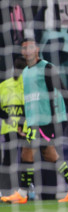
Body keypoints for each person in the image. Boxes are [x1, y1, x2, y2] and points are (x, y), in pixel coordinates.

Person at [0, 38, 68, 204]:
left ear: (37, 49)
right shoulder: (26, 72)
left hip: (47, 120)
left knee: (27, 151)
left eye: (30, 47)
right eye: (24, 48)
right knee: (50, 155)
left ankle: (22, 193)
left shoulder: (46, 67)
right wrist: (23, 123)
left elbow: (63, 91)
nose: (27, 50)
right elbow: (28, 100)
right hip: (33, 120)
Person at [0, 57, 27, 195]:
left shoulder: (4, 85)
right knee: (26, 159)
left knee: (9, 160)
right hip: (24, 127)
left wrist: (6, 117)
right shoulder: (28, 85)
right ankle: (25, 190)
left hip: (10, 127)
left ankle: (5, 191)